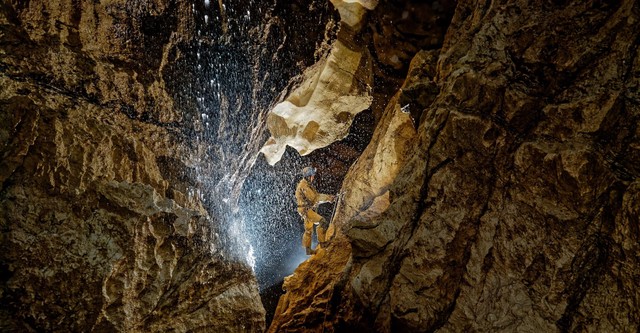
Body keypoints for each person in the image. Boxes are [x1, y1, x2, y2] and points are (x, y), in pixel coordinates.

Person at [295, 166, 335, 255]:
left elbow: (314, 198)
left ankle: (308, 250)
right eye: (312, 175)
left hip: (305, 209)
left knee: (308, 230)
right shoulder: (304, 186)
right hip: (306, 210)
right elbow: (315, 198)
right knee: (323, 222)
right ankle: (323, 244)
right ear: (309, 176)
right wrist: (329, 198)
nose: (313, 177)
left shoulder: (305, 184)